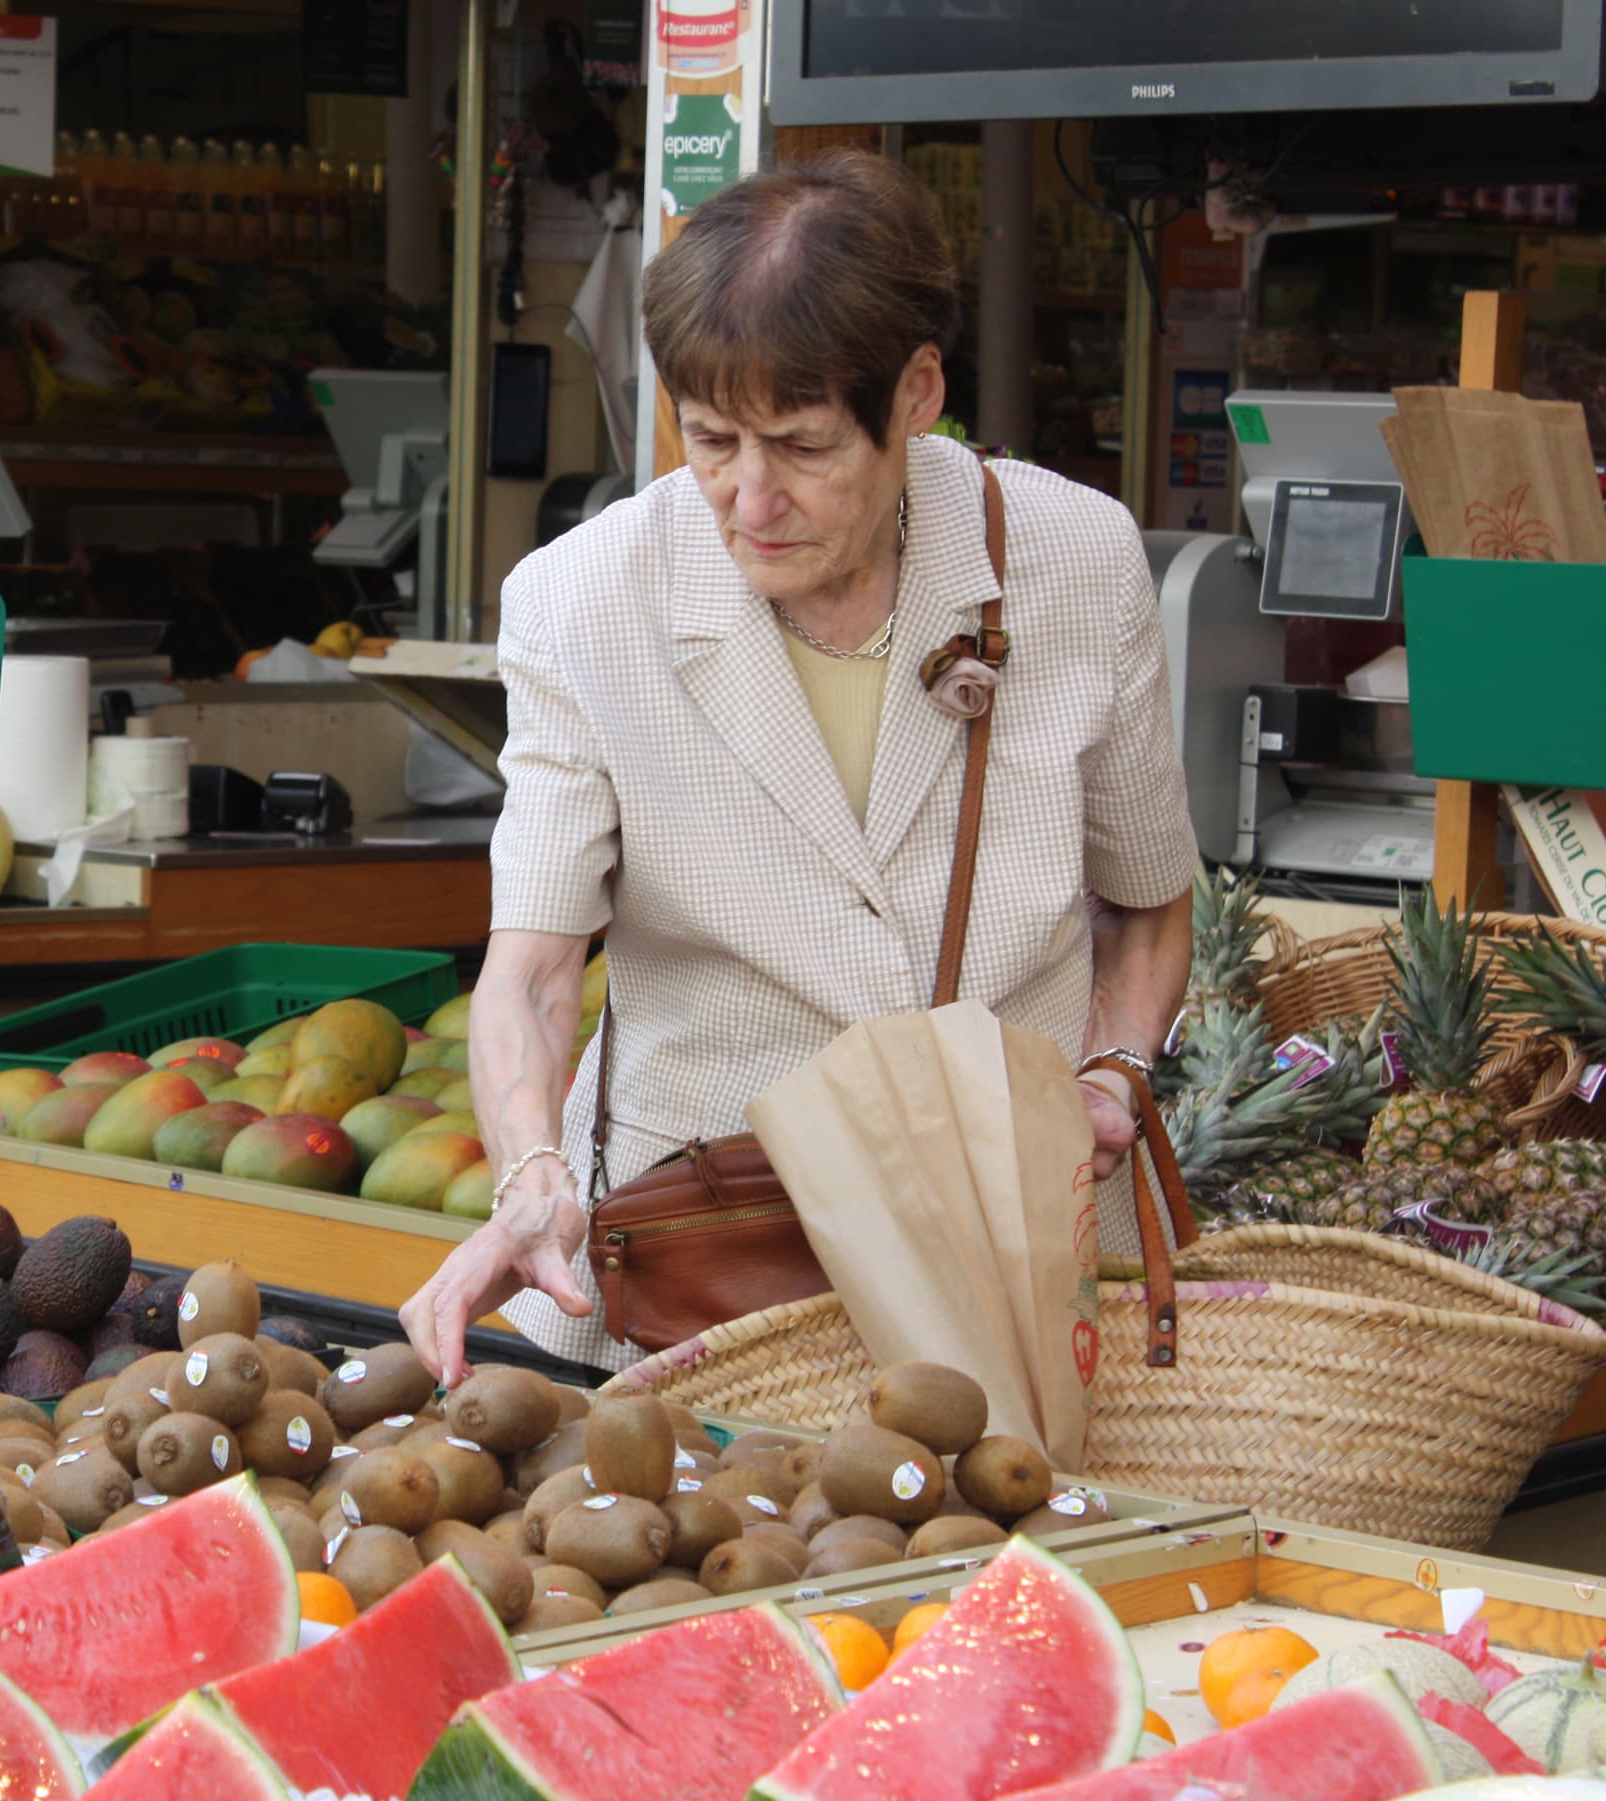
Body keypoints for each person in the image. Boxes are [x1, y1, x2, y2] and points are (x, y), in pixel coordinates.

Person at [400, 152, 1198, 1384]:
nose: (749, 497)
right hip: (697, 1268)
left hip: (1012, 1265)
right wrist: (528, 1173)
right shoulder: (581, 598)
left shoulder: (1077, 562)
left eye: (804, 445)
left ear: (919, 392)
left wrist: (1115, 1068)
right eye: (711, 439)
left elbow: (1146, 899)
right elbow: (536, 967)